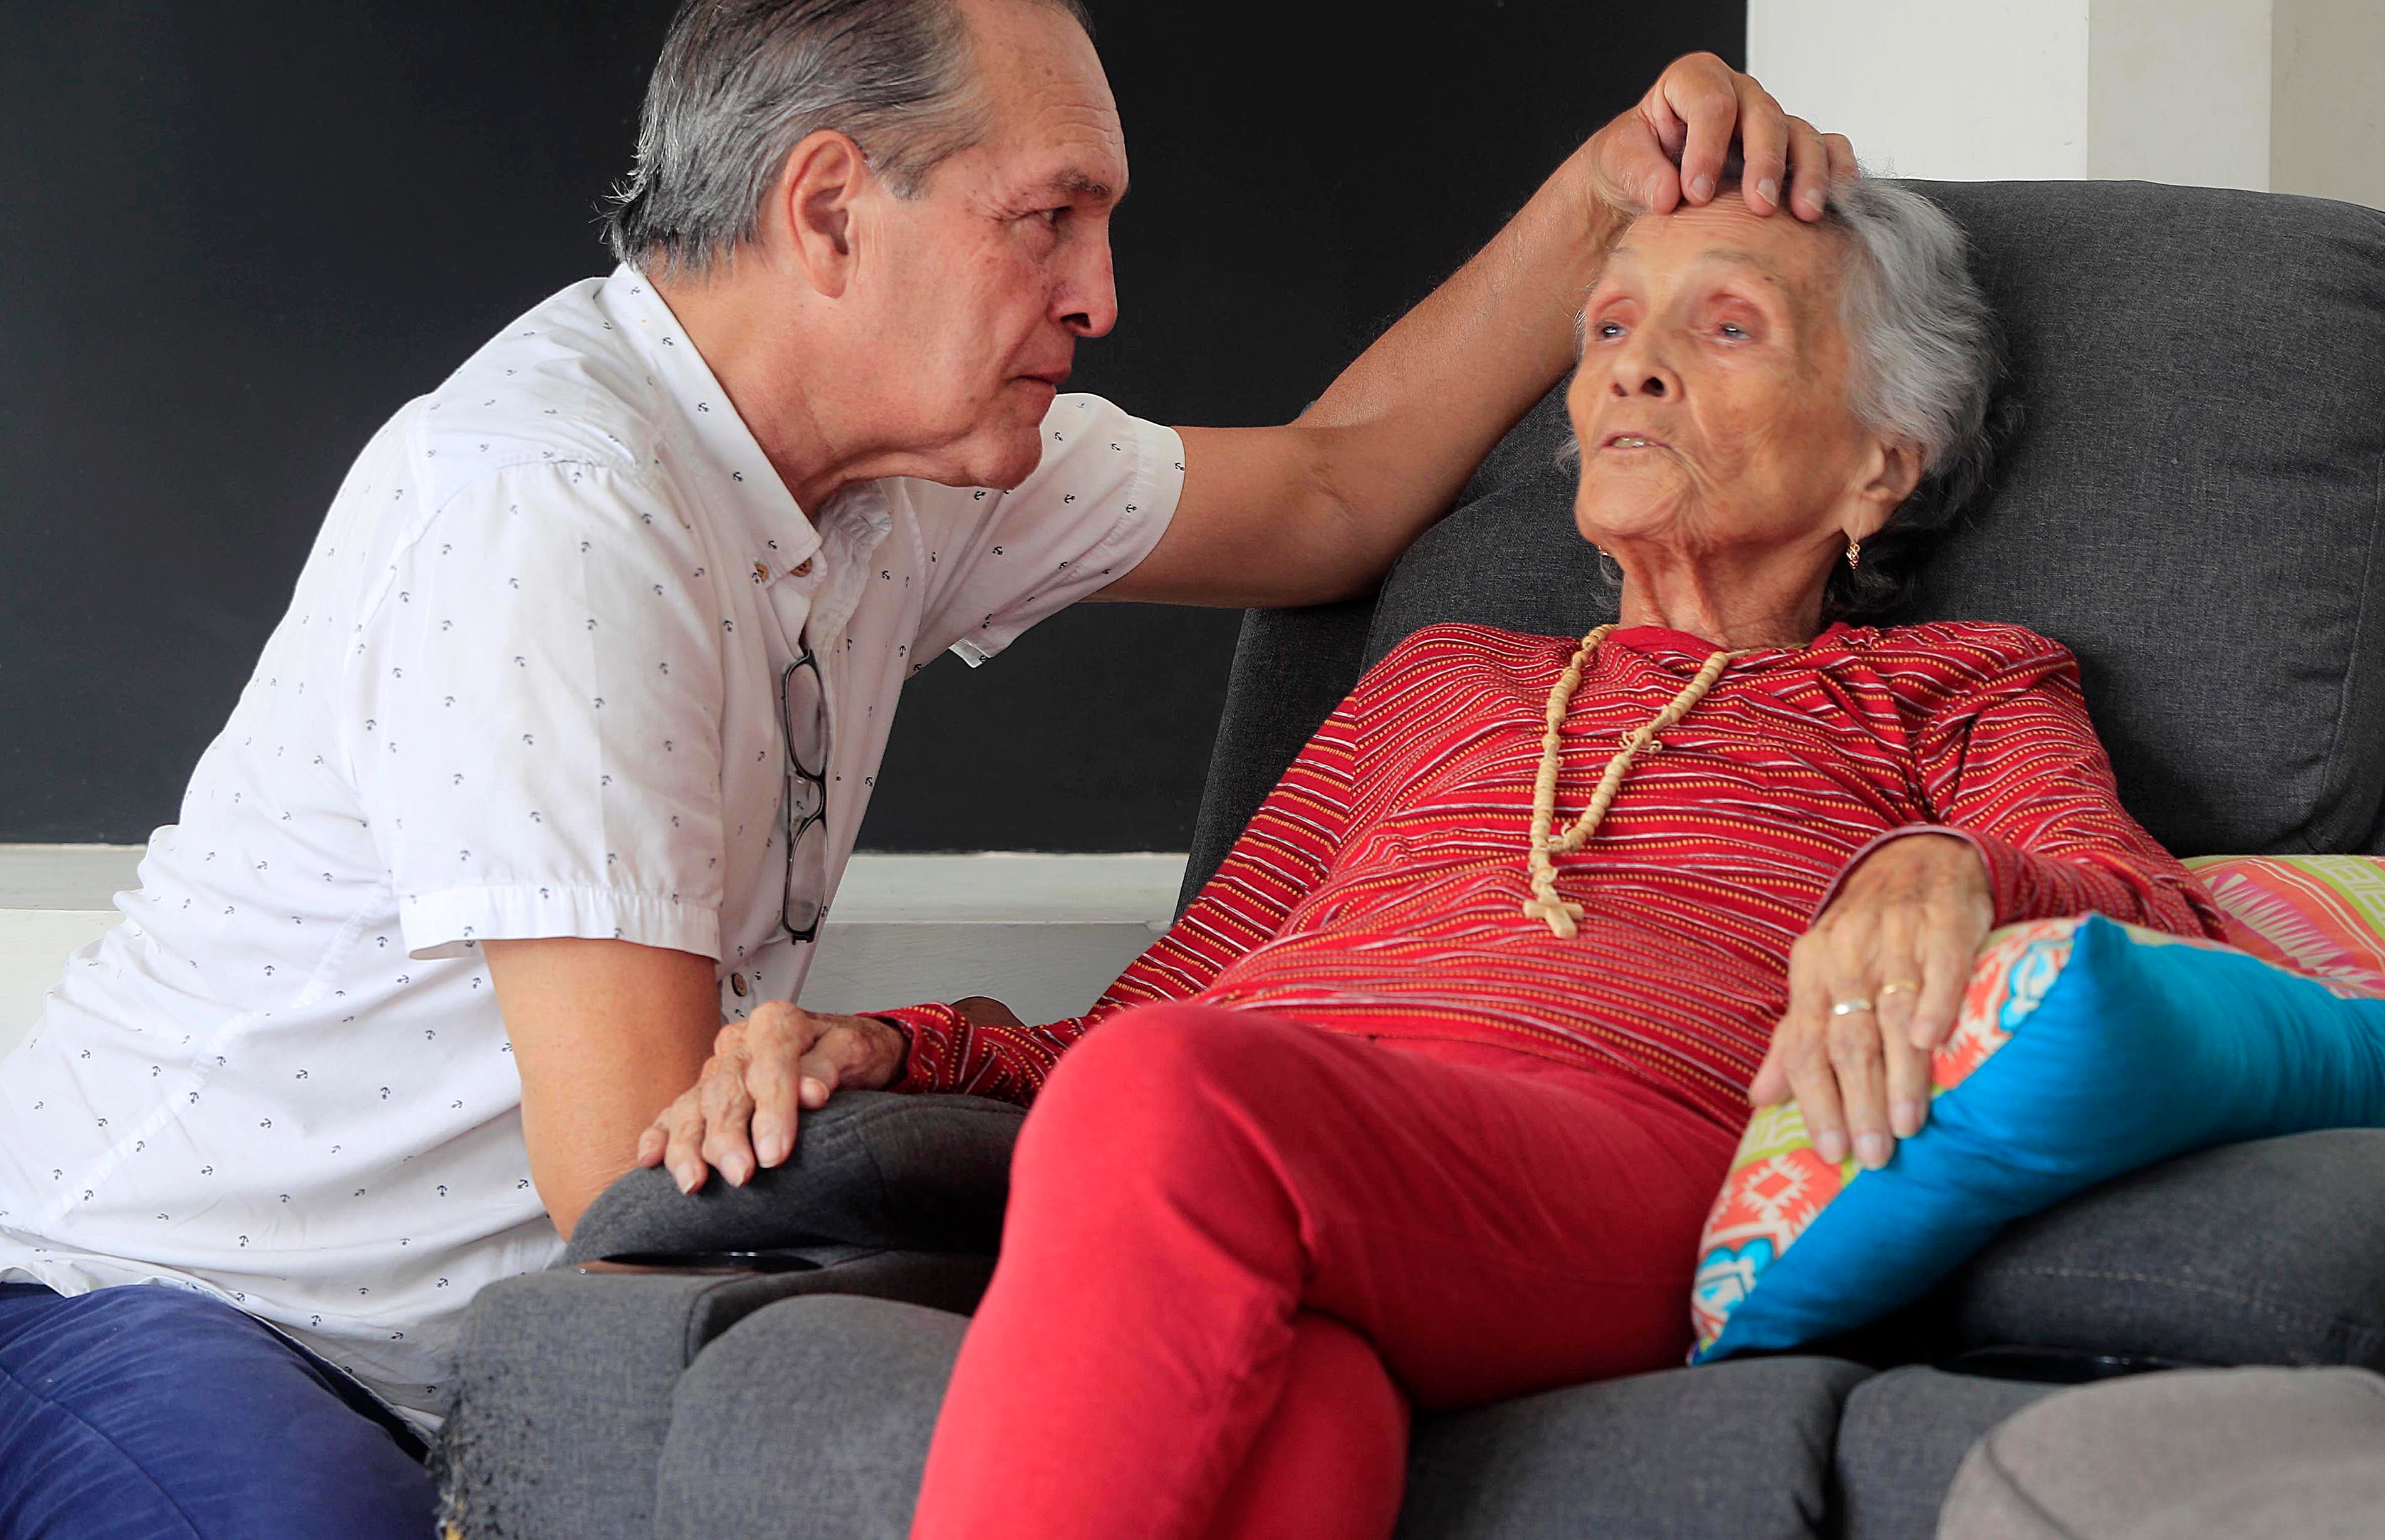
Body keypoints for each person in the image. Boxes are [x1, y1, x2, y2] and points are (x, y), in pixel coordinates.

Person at [0, 0, 1854, 1540]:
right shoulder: (555, 498)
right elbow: (638, 1170)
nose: (1102, 294)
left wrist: (1619, 181)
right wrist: (971, 1058)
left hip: (456, 1350)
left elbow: (1334, 493)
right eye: (1048, 220)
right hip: (159, 1304)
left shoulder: (923, 473)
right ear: (827, 211)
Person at [650, 170, 2230, 1540]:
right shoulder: (1437, 681)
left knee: (1175, 1101)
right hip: (1283, 1149)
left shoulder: (1944, 685)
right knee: (1303, 1408)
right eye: (1607, 327)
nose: (1635, 372)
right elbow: (1146, 1016)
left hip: (1609, 1148)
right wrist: (890, 1042)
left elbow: (2158, 919)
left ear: (1881, 458)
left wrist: (1937, 867)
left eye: (1725, 327)